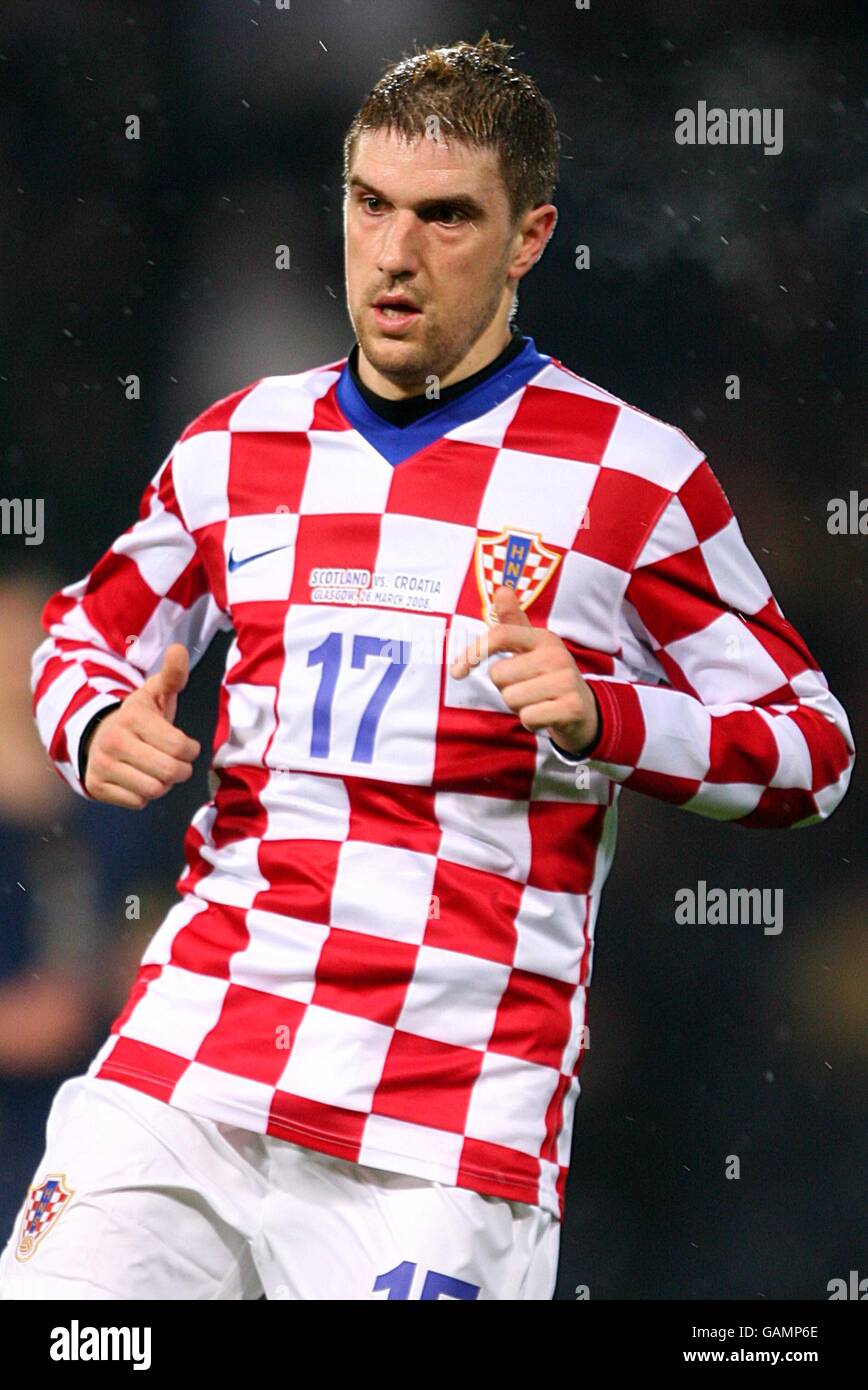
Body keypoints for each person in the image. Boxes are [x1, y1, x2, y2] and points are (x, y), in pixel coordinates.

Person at [0, 36, 854, 1301]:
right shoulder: (240, 444)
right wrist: (88, 723)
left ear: (527, 237)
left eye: (446, 216)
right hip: (192, 1070)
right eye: (371, 207)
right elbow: (84, 627)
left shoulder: (631, 475)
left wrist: (612, 716)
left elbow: (811, 746)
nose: (395, 253)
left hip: (446, 1129)